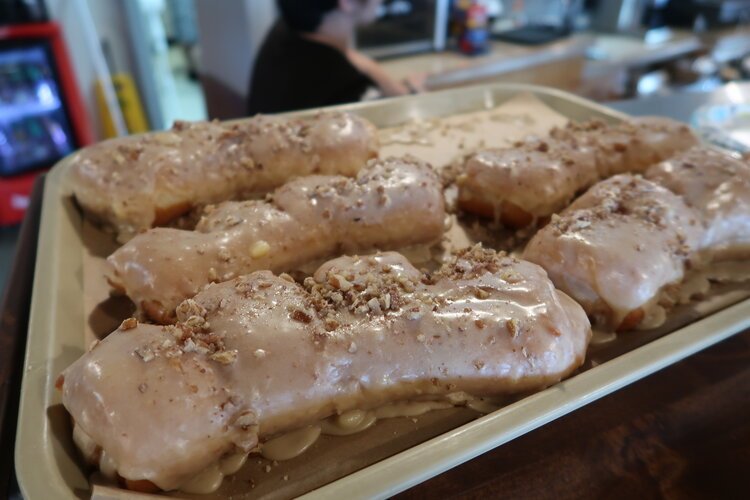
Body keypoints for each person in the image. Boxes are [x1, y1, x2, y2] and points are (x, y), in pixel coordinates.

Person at [247, 0, 422, 115]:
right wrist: (412, 95)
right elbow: (403, 119)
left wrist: (378, 74)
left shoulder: (287, 29)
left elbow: (350, 57)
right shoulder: (347, 88)